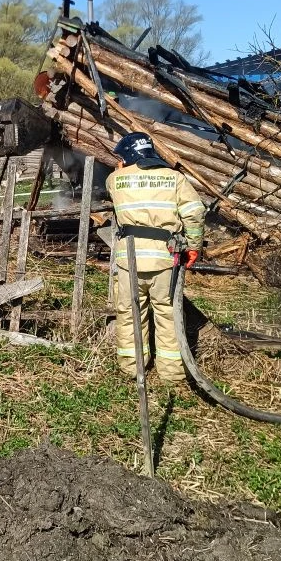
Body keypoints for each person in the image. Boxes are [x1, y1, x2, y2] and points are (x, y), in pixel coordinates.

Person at [105, 132, 206, 383]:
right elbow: (195, 213)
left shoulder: (114, 179)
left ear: (128, 156)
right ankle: (171, 373)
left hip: (129, 260)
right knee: (168, 312)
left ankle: (132, 367)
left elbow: (118, 186)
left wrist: (122, 170)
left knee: (129, 312)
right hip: (165, 259)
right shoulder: (175, 178)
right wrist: (193, 246)